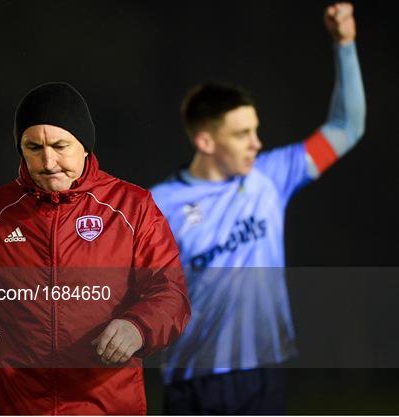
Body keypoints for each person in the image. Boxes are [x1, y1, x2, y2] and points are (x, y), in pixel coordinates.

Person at [0, 82, 191, 415]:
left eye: (60, 146)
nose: (48, 162)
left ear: (85, 145)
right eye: (34, 147)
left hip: (105, 408)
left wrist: (139, 326)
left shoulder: (134, 208)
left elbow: (170, 293)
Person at [150, 3, 365, 414]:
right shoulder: (158, 204)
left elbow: (346, 127)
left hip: (265, 371)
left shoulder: (271, 175)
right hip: (196, 380)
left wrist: (345, 44)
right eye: (243, 134)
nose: (257, 143)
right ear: (205, 141)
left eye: (256, 130)